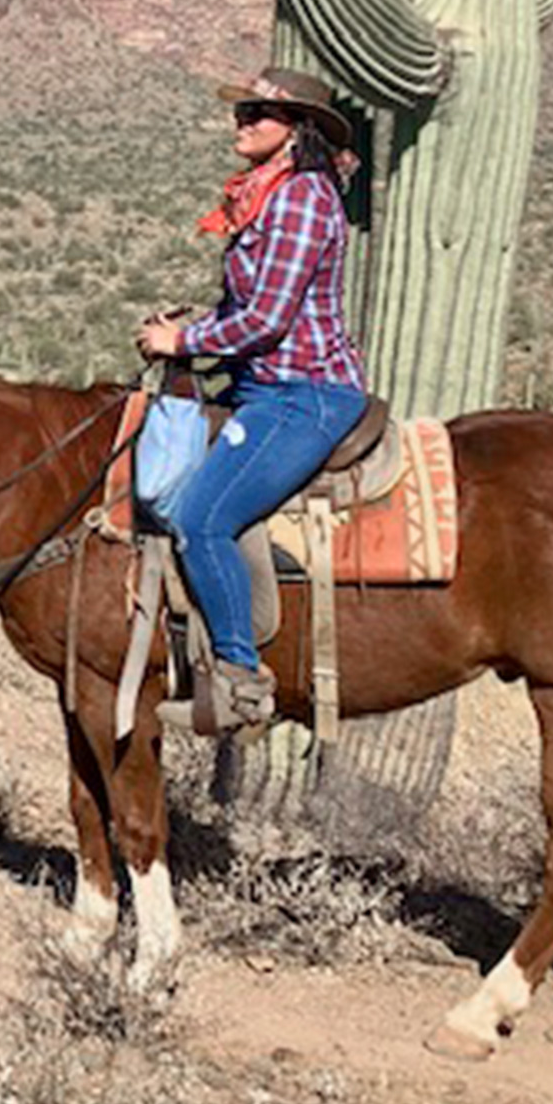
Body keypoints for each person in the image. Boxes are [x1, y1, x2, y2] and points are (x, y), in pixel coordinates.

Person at [134, 69, 371, 728]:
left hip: (303, 396)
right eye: (244, 109)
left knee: (201, 517)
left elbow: (267, 318)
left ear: (296, 130)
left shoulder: (301, 199)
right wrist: (195, 330)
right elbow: (249, 308)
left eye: (260, 113)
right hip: (262, 387)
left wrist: (182, 341)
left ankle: (239, 681)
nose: (243, 120)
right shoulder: (266, 195)